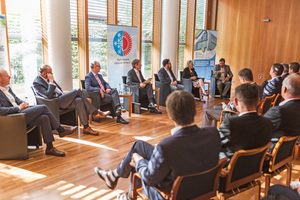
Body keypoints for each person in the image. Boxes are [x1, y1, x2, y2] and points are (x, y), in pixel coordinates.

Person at [94, 90, 221, 200]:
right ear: (194, 111)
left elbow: (149, 178)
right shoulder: (213, 133)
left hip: (170, 195)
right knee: (138, 146)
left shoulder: (167, 146)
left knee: (137, 157)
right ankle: (114, 177)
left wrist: (139, 162)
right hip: (203, 189)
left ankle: (129, 195)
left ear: (170, 116)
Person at [0, 69, 77, 157]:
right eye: (7, 75)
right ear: (0, 79)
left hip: (20, 112)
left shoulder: (7, 89)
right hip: (12, 118)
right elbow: (1, 111)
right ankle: (60, 129)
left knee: (44, 118)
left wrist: (23, 103)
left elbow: (16, 99)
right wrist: (18, 108)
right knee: (43, 107)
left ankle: (50, 148)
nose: (10, 77)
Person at [33, 64, 111, 136]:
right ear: (44, 74)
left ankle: (86, 127)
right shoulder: (37, 83)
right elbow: (48, 95)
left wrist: (67, 93)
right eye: (50, 72)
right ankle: (95, 112)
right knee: (77, 91)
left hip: (61, 98)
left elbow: (58, 90)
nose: (52, 74)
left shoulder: (48, 78)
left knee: (79, 100)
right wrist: (51, 82)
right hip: (54, 103)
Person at [218, 83, 273, 165]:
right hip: (255, 168)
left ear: (235, 101)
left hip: (231, 172)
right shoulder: (268, 123)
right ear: (258, 101)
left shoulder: (230, 123)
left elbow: (215, 144)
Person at [264, 75, 300, 150]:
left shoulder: (278, 111)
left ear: (284, 89)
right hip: (287, 151)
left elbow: (258, 129)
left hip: (272, 152)